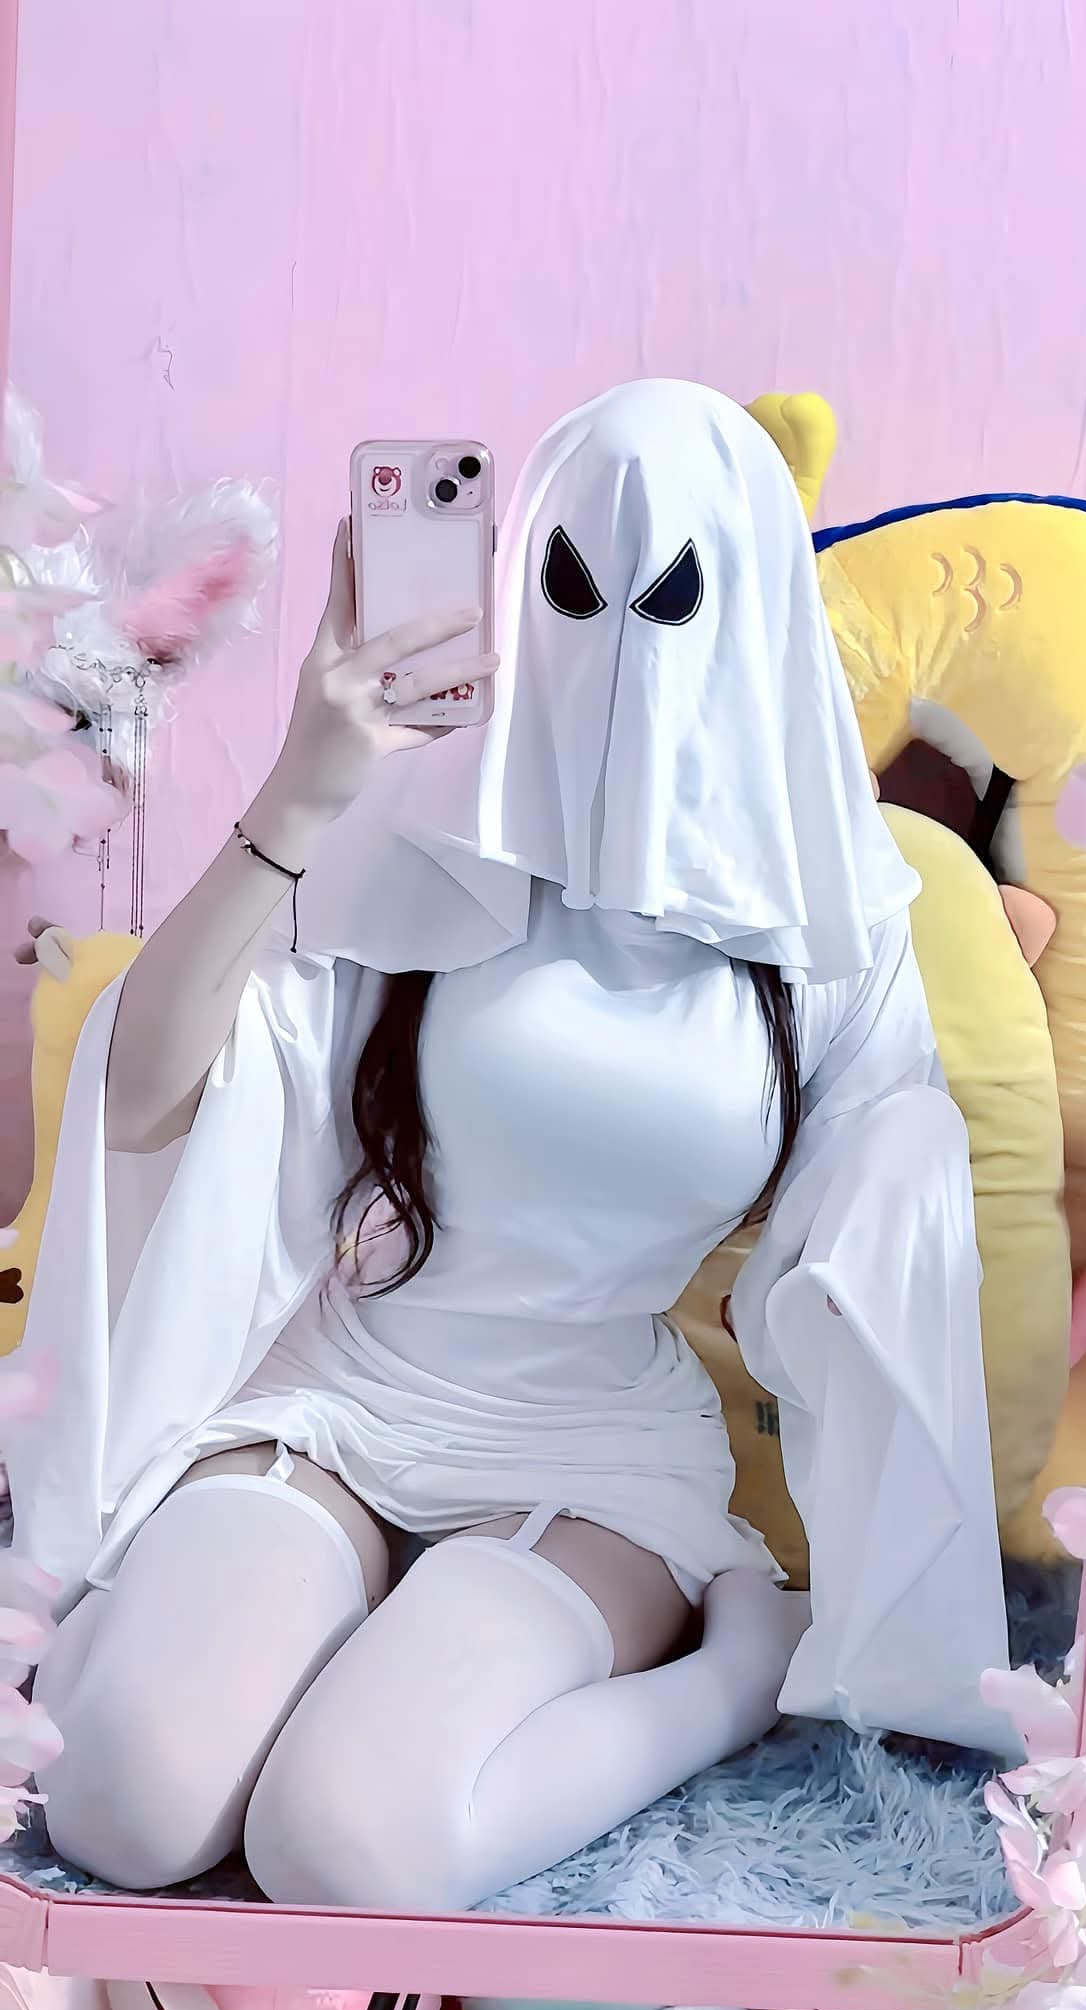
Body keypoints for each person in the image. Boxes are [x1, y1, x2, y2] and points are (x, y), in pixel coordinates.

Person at [11, 380, 1012, 1917]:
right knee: (124, 1810)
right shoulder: (407, 833)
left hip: (590, 1456)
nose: (617, 640)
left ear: (750, 604)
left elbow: (883, 1243)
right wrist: (304, 788)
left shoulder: (829, 914)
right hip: (331, 1405)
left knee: (346, 1847)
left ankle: (736, 1673)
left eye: (669, 595)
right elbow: (146, 1098)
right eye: (570, 581)